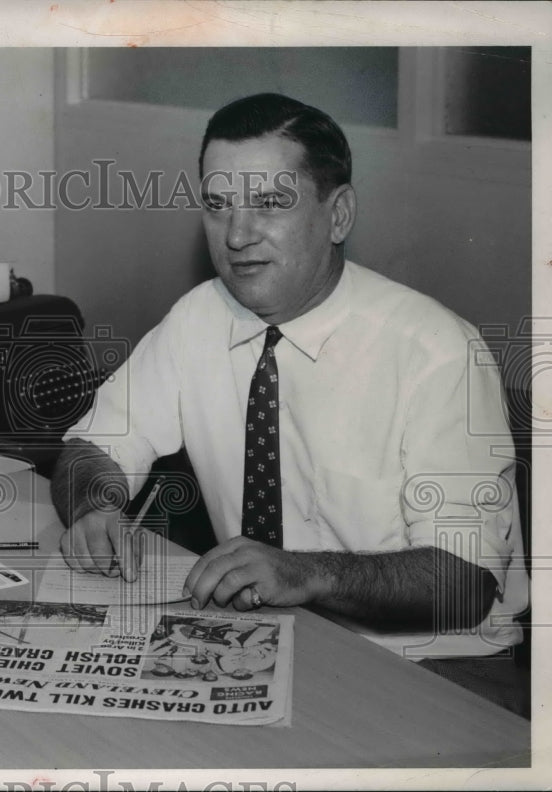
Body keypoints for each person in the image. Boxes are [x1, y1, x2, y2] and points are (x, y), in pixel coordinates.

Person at [50, 93, 529, 711]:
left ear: (338, 215)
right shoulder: (198, 318)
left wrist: (301, 572)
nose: (238, 235)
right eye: (218, 206)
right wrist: (95, 505)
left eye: (271, 204)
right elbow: (93, 445)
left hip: (434, 666)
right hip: (269, 641)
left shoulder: (437, 352)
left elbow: (464, 583)